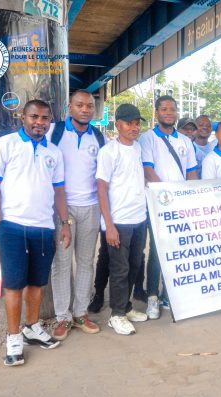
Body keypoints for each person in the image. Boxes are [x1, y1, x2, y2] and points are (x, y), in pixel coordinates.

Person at [0, 99, 70, 366]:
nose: (40, 123)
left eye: (45, 118)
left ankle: (31, 327)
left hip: (44, 227)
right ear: (23, 116)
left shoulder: (54, 153)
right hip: (11, 226)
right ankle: (13, 337)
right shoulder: (7, 144)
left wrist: (65, 223)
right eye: (34, 117)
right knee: (14, 285)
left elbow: (59, 191)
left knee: (37, 284)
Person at [48, 89, 104, 341]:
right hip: (62, 207)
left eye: (89, 106)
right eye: (80, 105)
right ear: (69, 106)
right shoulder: (54, 132)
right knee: (61, 262)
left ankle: (80, 313)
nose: (85, 110)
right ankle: (63, 316)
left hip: (91, 207)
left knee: (85, 262)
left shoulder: (98, 137)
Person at [139, 95, 198, 317]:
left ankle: (171, 294)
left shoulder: (184, 141)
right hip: (158, 204)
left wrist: (189, 197)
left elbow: (191, 171)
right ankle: (153, 296)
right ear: (157, 112)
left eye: (172, 109)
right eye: (164, 109)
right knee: (157, 250)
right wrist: (166, 197)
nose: (169, 113)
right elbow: (148, 170)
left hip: (181, 205)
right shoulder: (147, 139)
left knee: (179, 249)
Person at [96, 103, 149, 335]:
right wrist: (109, 226)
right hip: (118, 221)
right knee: (119, 269)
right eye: (129, 123)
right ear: (117, 125)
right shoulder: (109, 152)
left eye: (137, 123)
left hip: (139, 218)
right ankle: (116, 315)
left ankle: (125, 308)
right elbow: (101, 189)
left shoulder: (138, 148)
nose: (134, 127)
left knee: (134, 267)